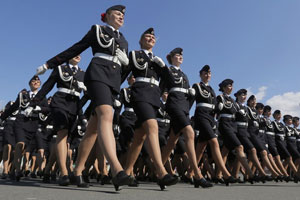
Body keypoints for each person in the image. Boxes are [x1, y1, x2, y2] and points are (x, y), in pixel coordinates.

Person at [36, 5, 130, 190]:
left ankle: (77, 171)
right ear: (108, 16)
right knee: (106, 115)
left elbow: (123, 69)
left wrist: (125, 66)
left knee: (93, 129)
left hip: (112, 81)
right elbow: (76, 48)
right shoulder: (97, 30)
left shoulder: (124, 40)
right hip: (97, 74)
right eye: (117, 14)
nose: (121, 17)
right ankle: (117, 170)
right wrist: (49, 64)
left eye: (123, 16)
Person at [122, 28, 178, 190]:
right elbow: (123, 74)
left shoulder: (157, 59)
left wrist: (164, 68)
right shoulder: (134, 55)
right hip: (139, 93)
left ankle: (125, 173)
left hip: (153, 97)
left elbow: (170, 82)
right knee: (152, 127)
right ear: (140, 41)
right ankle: (160, 172)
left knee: (140, 137)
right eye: (147, 36)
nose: (151, 38)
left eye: (153, 37)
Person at [160, 48, 213, 188]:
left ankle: (157, 170)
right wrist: (164, 97)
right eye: (177, 55)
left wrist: (190, 96)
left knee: (172, 141)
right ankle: (197, 174)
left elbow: (189, 97)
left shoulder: (184, 75)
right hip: (174, 105)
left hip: (183, 108)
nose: (180, 57)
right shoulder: (167, 71)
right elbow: (162, 89)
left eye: (181, 56)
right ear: (171, 58)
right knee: (189, 133)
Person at [32, 55, 86, 186]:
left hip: (75, 105)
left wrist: (86, 90)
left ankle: (48, 170)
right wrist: (34, 103)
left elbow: (89, 94)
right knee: (62, 133)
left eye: (80, 54)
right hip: (60, 101)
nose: (78, 56)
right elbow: (48, 86)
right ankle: (64, 173)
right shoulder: (60, 69)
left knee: (65, 139)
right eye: (75, 53)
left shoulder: (83, 73)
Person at [190, 65, 235, 186]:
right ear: (200, 74)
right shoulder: (197, 86)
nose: (207, 75)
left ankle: (191, 174)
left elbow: (215, 107)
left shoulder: (212, 89)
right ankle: (225, 174)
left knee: (201, 147)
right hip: (201, 115)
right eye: (205, 73)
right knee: (214, 142)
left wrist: (217, 109)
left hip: (210, 118)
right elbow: (190, 102)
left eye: (209, 73)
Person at [0, 75, 47, 181]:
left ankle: (12, 170)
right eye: (34, 81)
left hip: (33, 123)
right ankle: (18, 170)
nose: (36, 82)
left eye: (38, 81)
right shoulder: (23, 95)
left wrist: (38, 108)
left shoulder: (42, 97)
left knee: (24, 149)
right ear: (30, 84)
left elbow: (47, 109)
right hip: (21, 122)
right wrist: (2, 118)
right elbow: (14, 107)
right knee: (19, 144)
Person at [215, 79, 254, 183]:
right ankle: (250, 174)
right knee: (239, 147)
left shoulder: (232, 100)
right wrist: (218, 108)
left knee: (225, 152)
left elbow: (236, 113)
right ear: (223, 87)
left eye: (232, 86)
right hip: (224, 123)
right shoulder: (220, 97)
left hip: (232, 125)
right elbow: (215, 112)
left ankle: (218, 175)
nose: (231, 88)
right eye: (229, 86)